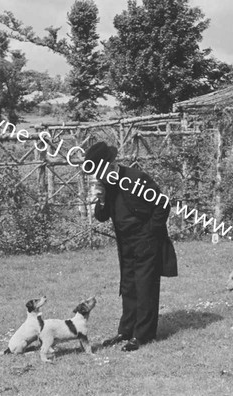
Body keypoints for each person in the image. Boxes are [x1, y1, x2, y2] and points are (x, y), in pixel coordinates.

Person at [83, 141, 177, 352]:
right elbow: (102, 216)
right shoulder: (106, 184)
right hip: (125, 244)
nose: (98, 177)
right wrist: (100, 199)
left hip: (146, 240)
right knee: (128, 287)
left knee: (145, 287)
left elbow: (163, 204)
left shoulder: (136, 178)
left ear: (110, 165)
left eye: (100, 172)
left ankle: (143, 335)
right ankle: (126, 330)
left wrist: (151, 231)